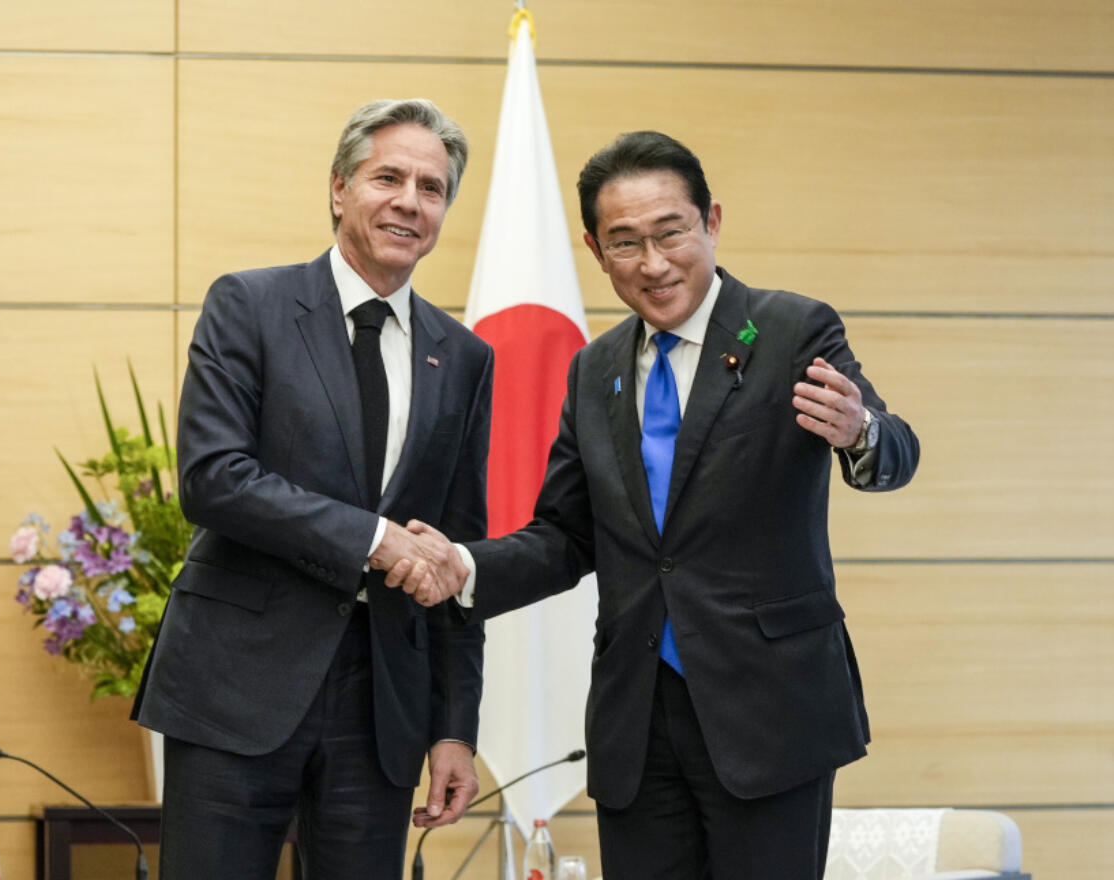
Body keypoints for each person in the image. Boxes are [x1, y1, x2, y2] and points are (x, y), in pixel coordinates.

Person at [377, 130, 919, 880]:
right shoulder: (593, 369)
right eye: (626, 243)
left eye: (671, 233)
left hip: (769, 710)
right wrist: (464, 564)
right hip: (638, 717)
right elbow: (566, 537)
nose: (654, 264)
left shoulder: (792, 328)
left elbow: (895, 451)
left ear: (712, 222)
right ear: (596, 253)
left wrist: (861, 432)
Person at [131, 98, 494, 880]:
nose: (409, 201)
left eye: (431, 189)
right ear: (338, 188)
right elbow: (211, 478)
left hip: (383, 705)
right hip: (237, 687)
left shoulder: (463, 357)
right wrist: (373, 538)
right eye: (387, 177)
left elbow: (456, 551)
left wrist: (455, 727)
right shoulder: (250, 305)